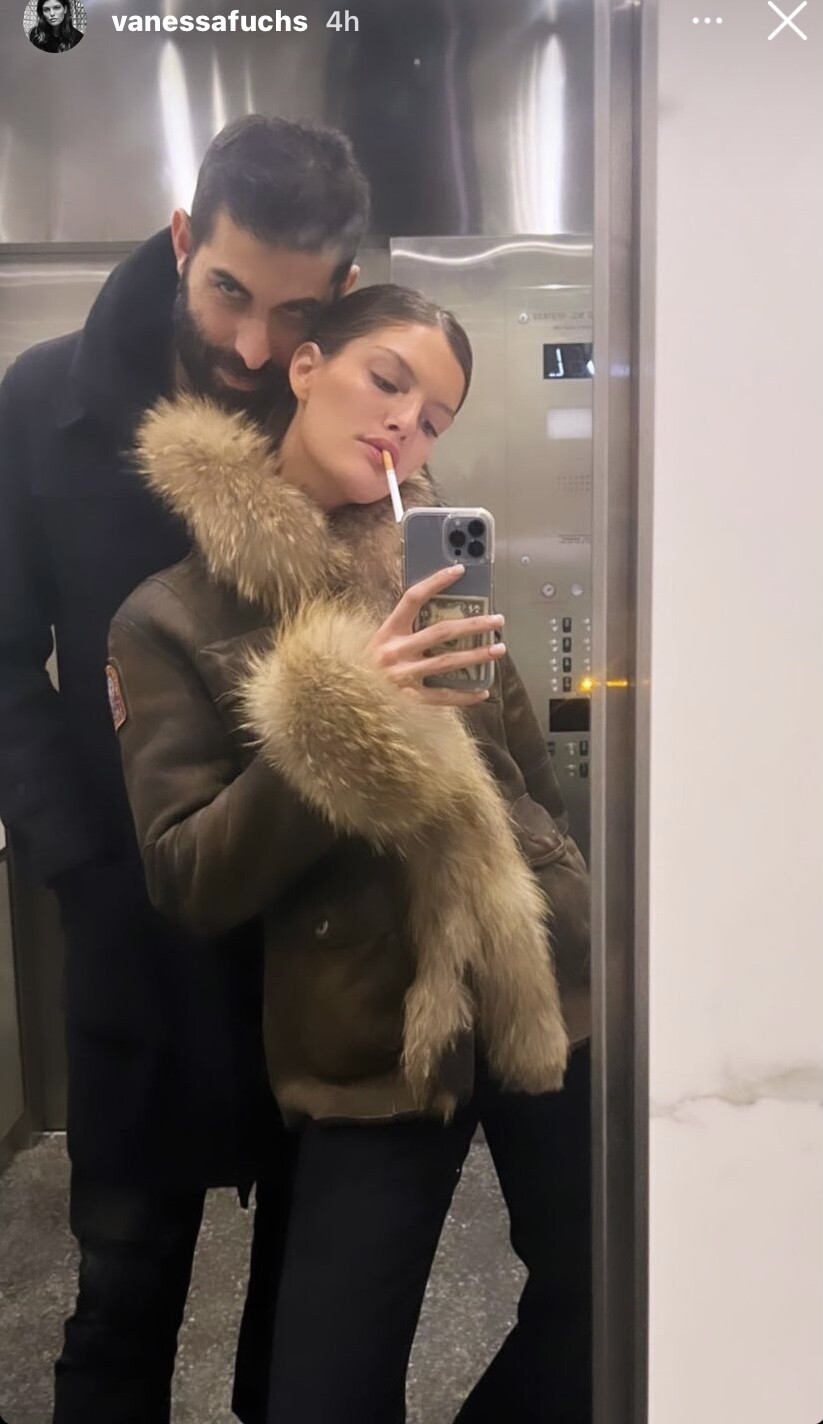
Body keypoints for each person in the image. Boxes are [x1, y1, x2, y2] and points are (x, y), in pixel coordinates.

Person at [108, 282, 592, 1424]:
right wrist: (340, 722)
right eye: (388, 381)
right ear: (305, 364)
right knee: (322, 1397)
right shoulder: (169, 616)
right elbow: (185, 875)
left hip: (541, 986)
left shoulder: (434, 565)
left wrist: (569, 887)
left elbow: (525, 773)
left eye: (433, 419)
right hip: (370, 1032)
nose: (404, 425)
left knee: (613, 1297)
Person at [0, 115, 369, 1424]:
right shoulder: (45, 402)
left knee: (313, 1331)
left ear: (341, 288)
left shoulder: (339, 411)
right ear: (179, 240)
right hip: (133, 925)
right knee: (121, 1288)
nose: (254, 348)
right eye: (228, 293)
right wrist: (81, 866)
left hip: (313, 920)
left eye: (296, 310)